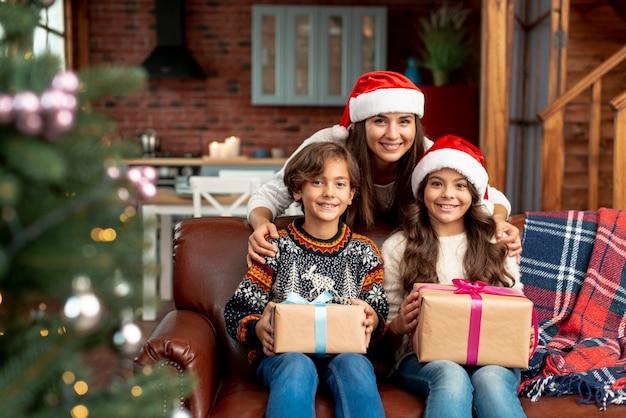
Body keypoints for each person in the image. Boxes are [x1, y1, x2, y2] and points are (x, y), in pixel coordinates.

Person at [246, 70, 521, 266]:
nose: (393, 134)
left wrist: (497, 220)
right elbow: (267, 196)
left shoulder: (427, 151)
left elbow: (489, 196)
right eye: (380, 121)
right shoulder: (331, 145)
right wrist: (261, 224)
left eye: (404, 121)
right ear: (362, 123)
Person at [224, 141, 389, 418]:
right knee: (297, 365)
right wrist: (258, 328)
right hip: (284, 356)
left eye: (339, 184)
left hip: (345, 354)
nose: (328, 193)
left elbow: (378, 316)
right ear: (297, 190)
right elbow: (237, 311)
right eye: (317, 182)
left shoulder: (365, 252)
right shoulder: (276, 247)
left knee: (356, 366)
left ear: (351, 194)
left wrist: (374, 321)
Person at [381, 134, 527, 418]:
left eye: (460, 185)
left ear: (474, 194)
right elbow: (385, 334)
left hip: (494, 356)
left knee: (492, 380)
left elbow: (517, 304)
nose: (448, 194)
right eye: (437, 183)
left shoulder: (495, 240)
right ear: (421, 190)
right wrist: (400, 323)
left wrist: (523, 331)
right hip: (421, 359)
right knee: (450, 374)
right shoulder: (398, 246)